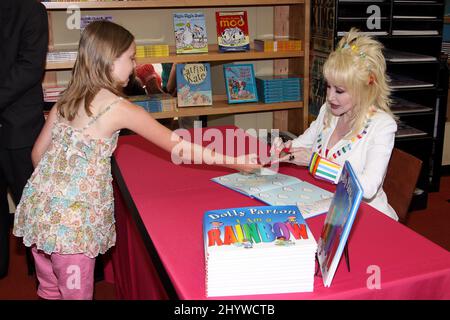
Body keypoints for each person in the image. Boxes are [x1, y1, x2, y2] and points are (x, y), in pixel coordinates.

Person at [12, 20, 261, 300]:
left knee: (49, 289)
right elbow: (178, 146)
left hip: (40, 216)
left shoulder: (66, 99)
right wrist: (234, 161)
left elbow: (37, 155)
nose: (133, 66)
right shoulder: (118, 108)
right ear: (108, 60)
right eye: (130, 58)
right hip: (73, 231)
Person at [272, 28, 398, 220]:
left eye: (339, 91)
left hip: (368, 217)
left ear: (364, 90)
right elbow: (303, 144)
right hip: (328, 206)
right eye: (328, 86)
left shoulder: (382, 126)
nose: (330, 97)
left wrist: (315, 163)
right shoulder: (328, 111)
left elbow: (367, 188)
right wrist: (284, 148)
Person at [0, 0, 49, 278]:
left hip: (21, 128)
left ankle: (44, 275)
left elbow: (30, 67)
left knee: (32, 206)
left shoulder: (32, 9)